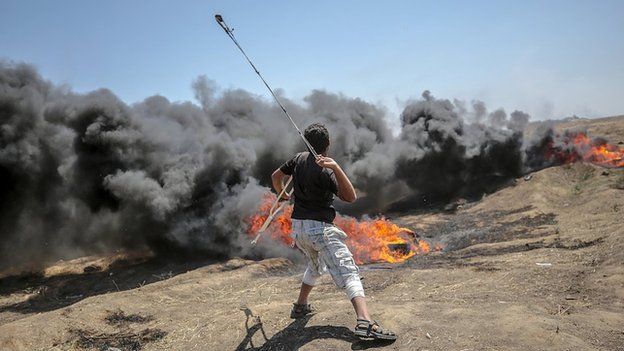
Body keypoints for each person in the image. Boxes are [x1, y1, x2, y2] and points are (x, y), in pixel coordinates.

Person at [271, 123, 397, 340]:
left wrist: (281, 195)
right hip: (320, 230)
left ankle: (300, 306)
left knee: (314, 264)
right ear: (328, 145)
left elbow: (276, 177)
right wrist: (336, 167)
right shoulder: (326, 171)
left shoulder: (298, 158)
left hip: (299, 230)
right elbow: (350, 197)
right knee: (349, 270)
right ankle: (365, 322)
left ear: (306, 143)